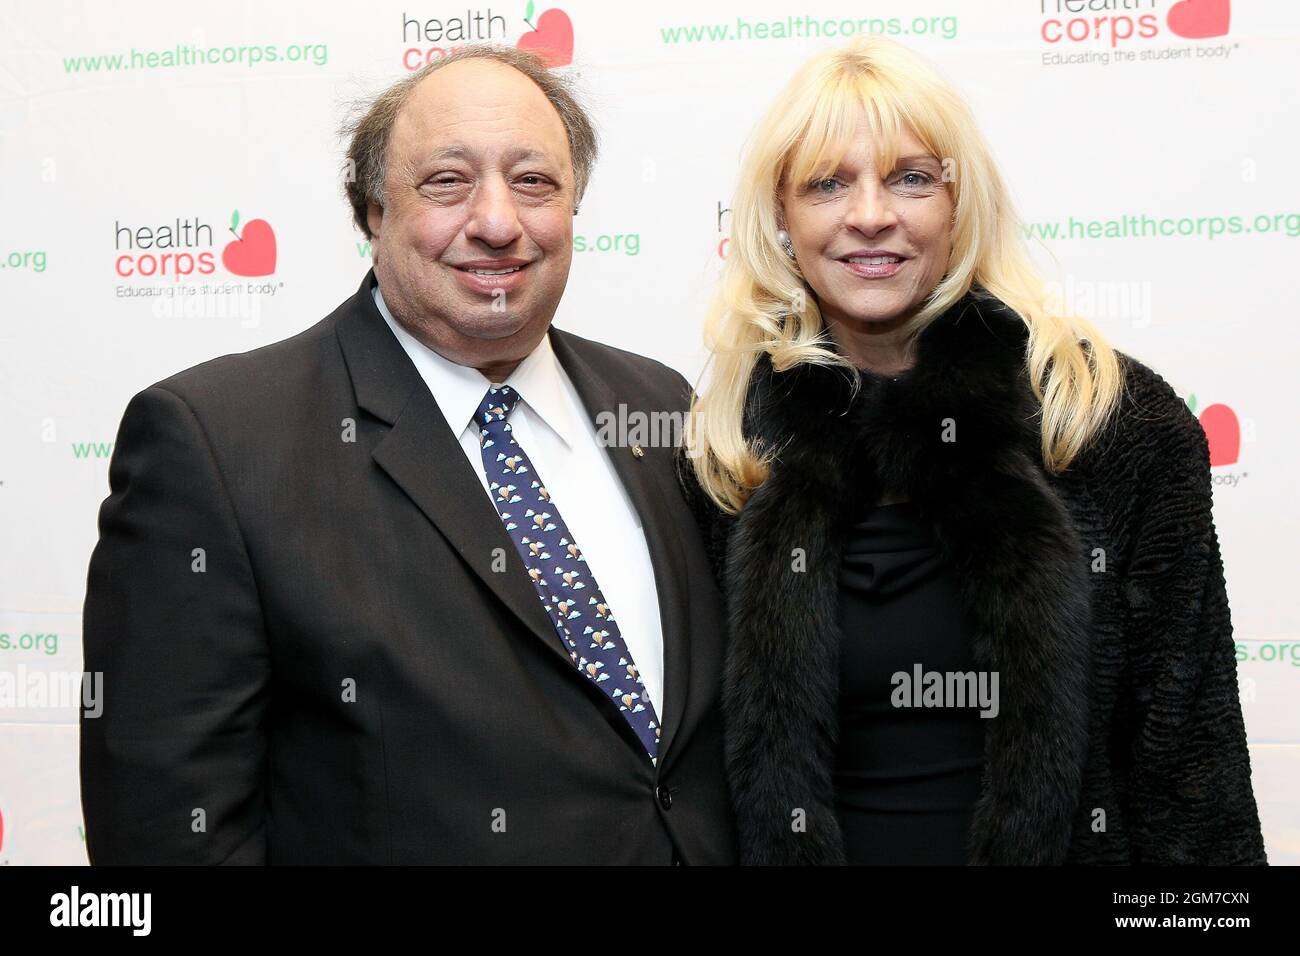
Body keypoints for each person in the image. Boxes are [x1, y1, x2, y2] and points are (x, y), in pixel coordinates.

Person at [81, 46, 736, 865]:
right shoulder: (216, 443)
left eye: (534, 181)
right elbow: (167, 833)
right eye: (447, 182)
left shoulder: (659, 405)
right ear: (372, 212)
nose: (498, 221)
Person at [679, 36, 1266, 865]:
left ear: (961, 204)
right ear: (781, 216)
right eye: (827, 183)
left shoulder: (1105, 420)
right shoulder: (728, 449)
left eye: (913, 177)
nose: (871, 214)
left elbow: (1190, 763)